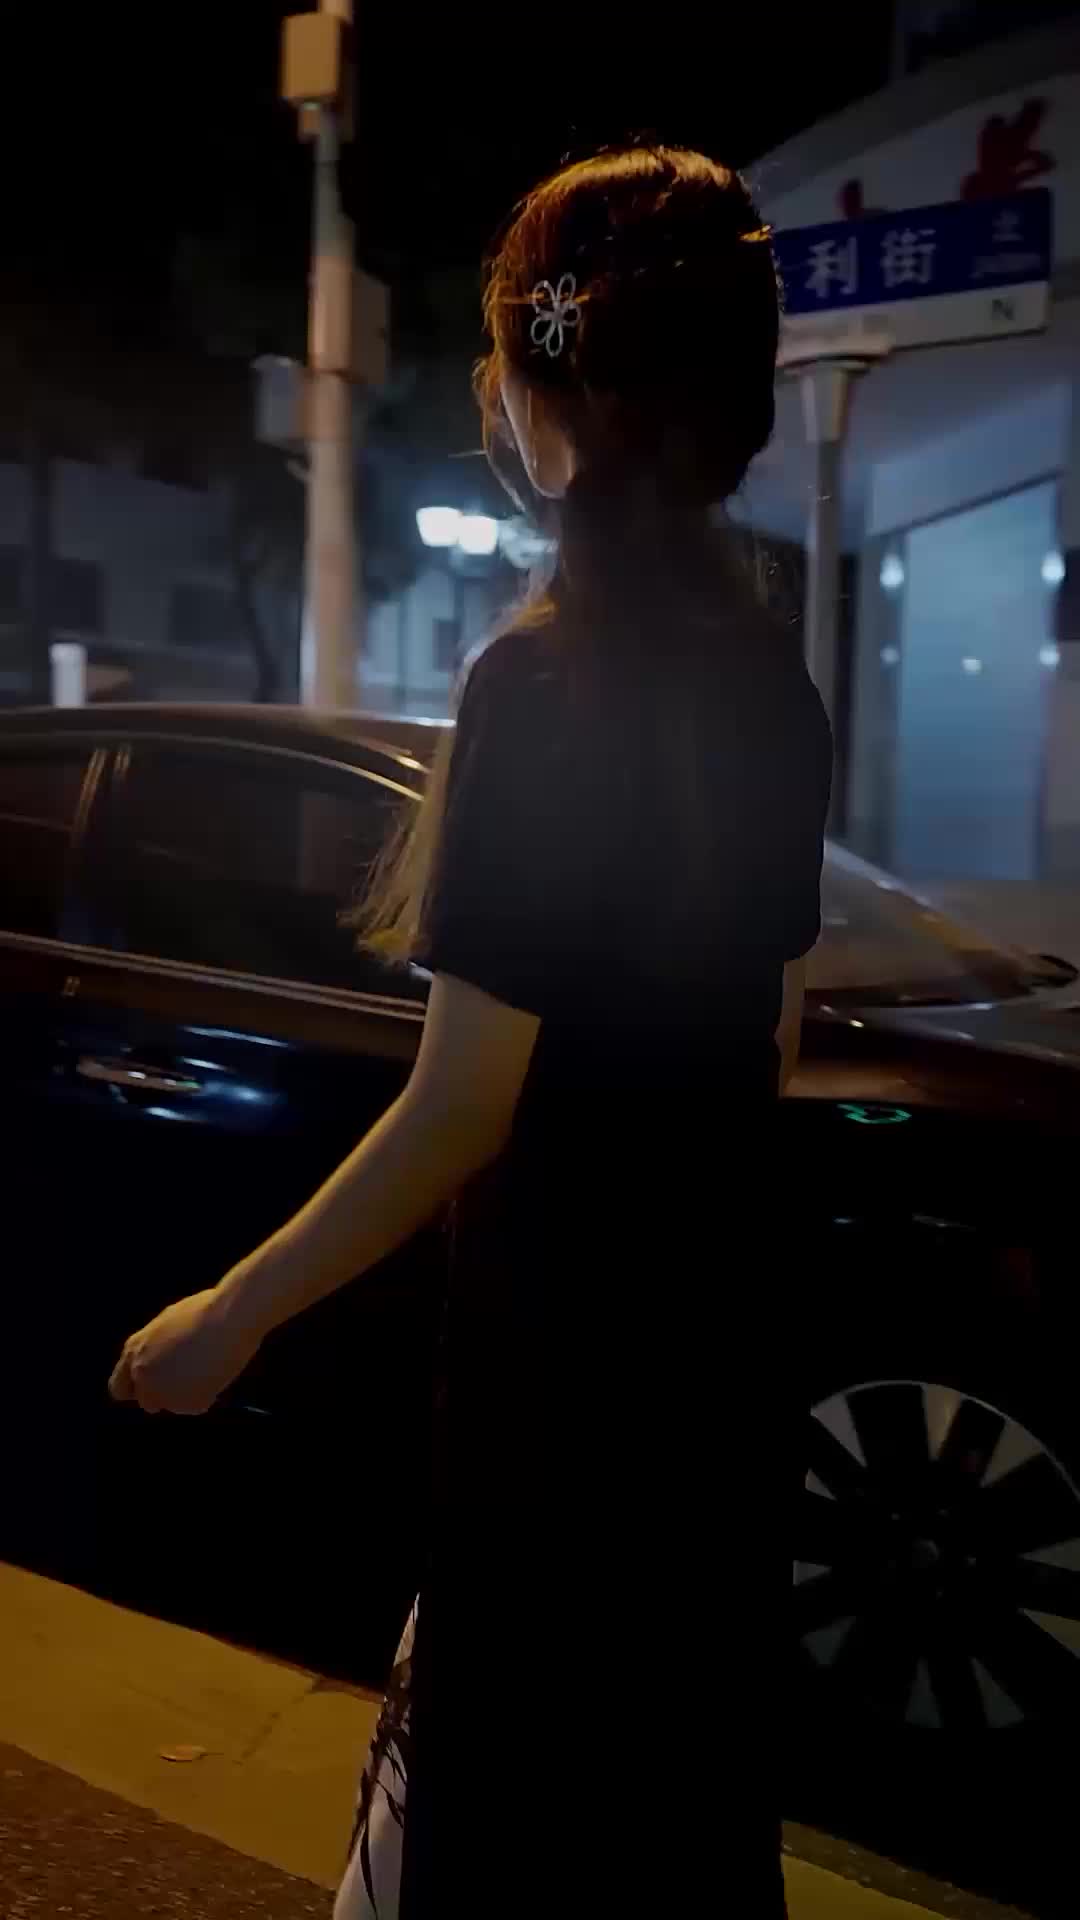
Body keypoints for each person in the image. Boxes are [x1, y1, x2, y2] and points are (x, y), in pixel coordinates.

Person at [109, 144, 832, 1917]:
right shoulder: (774, 680)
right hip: (707, 1368)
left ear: (542, 382)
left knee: (506, 1825)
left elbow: (462, 1105)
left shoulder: (539, 678)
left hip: (556, 1383)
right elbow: (775, 1036)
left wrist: (229, 1315)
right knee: (666, 1820)